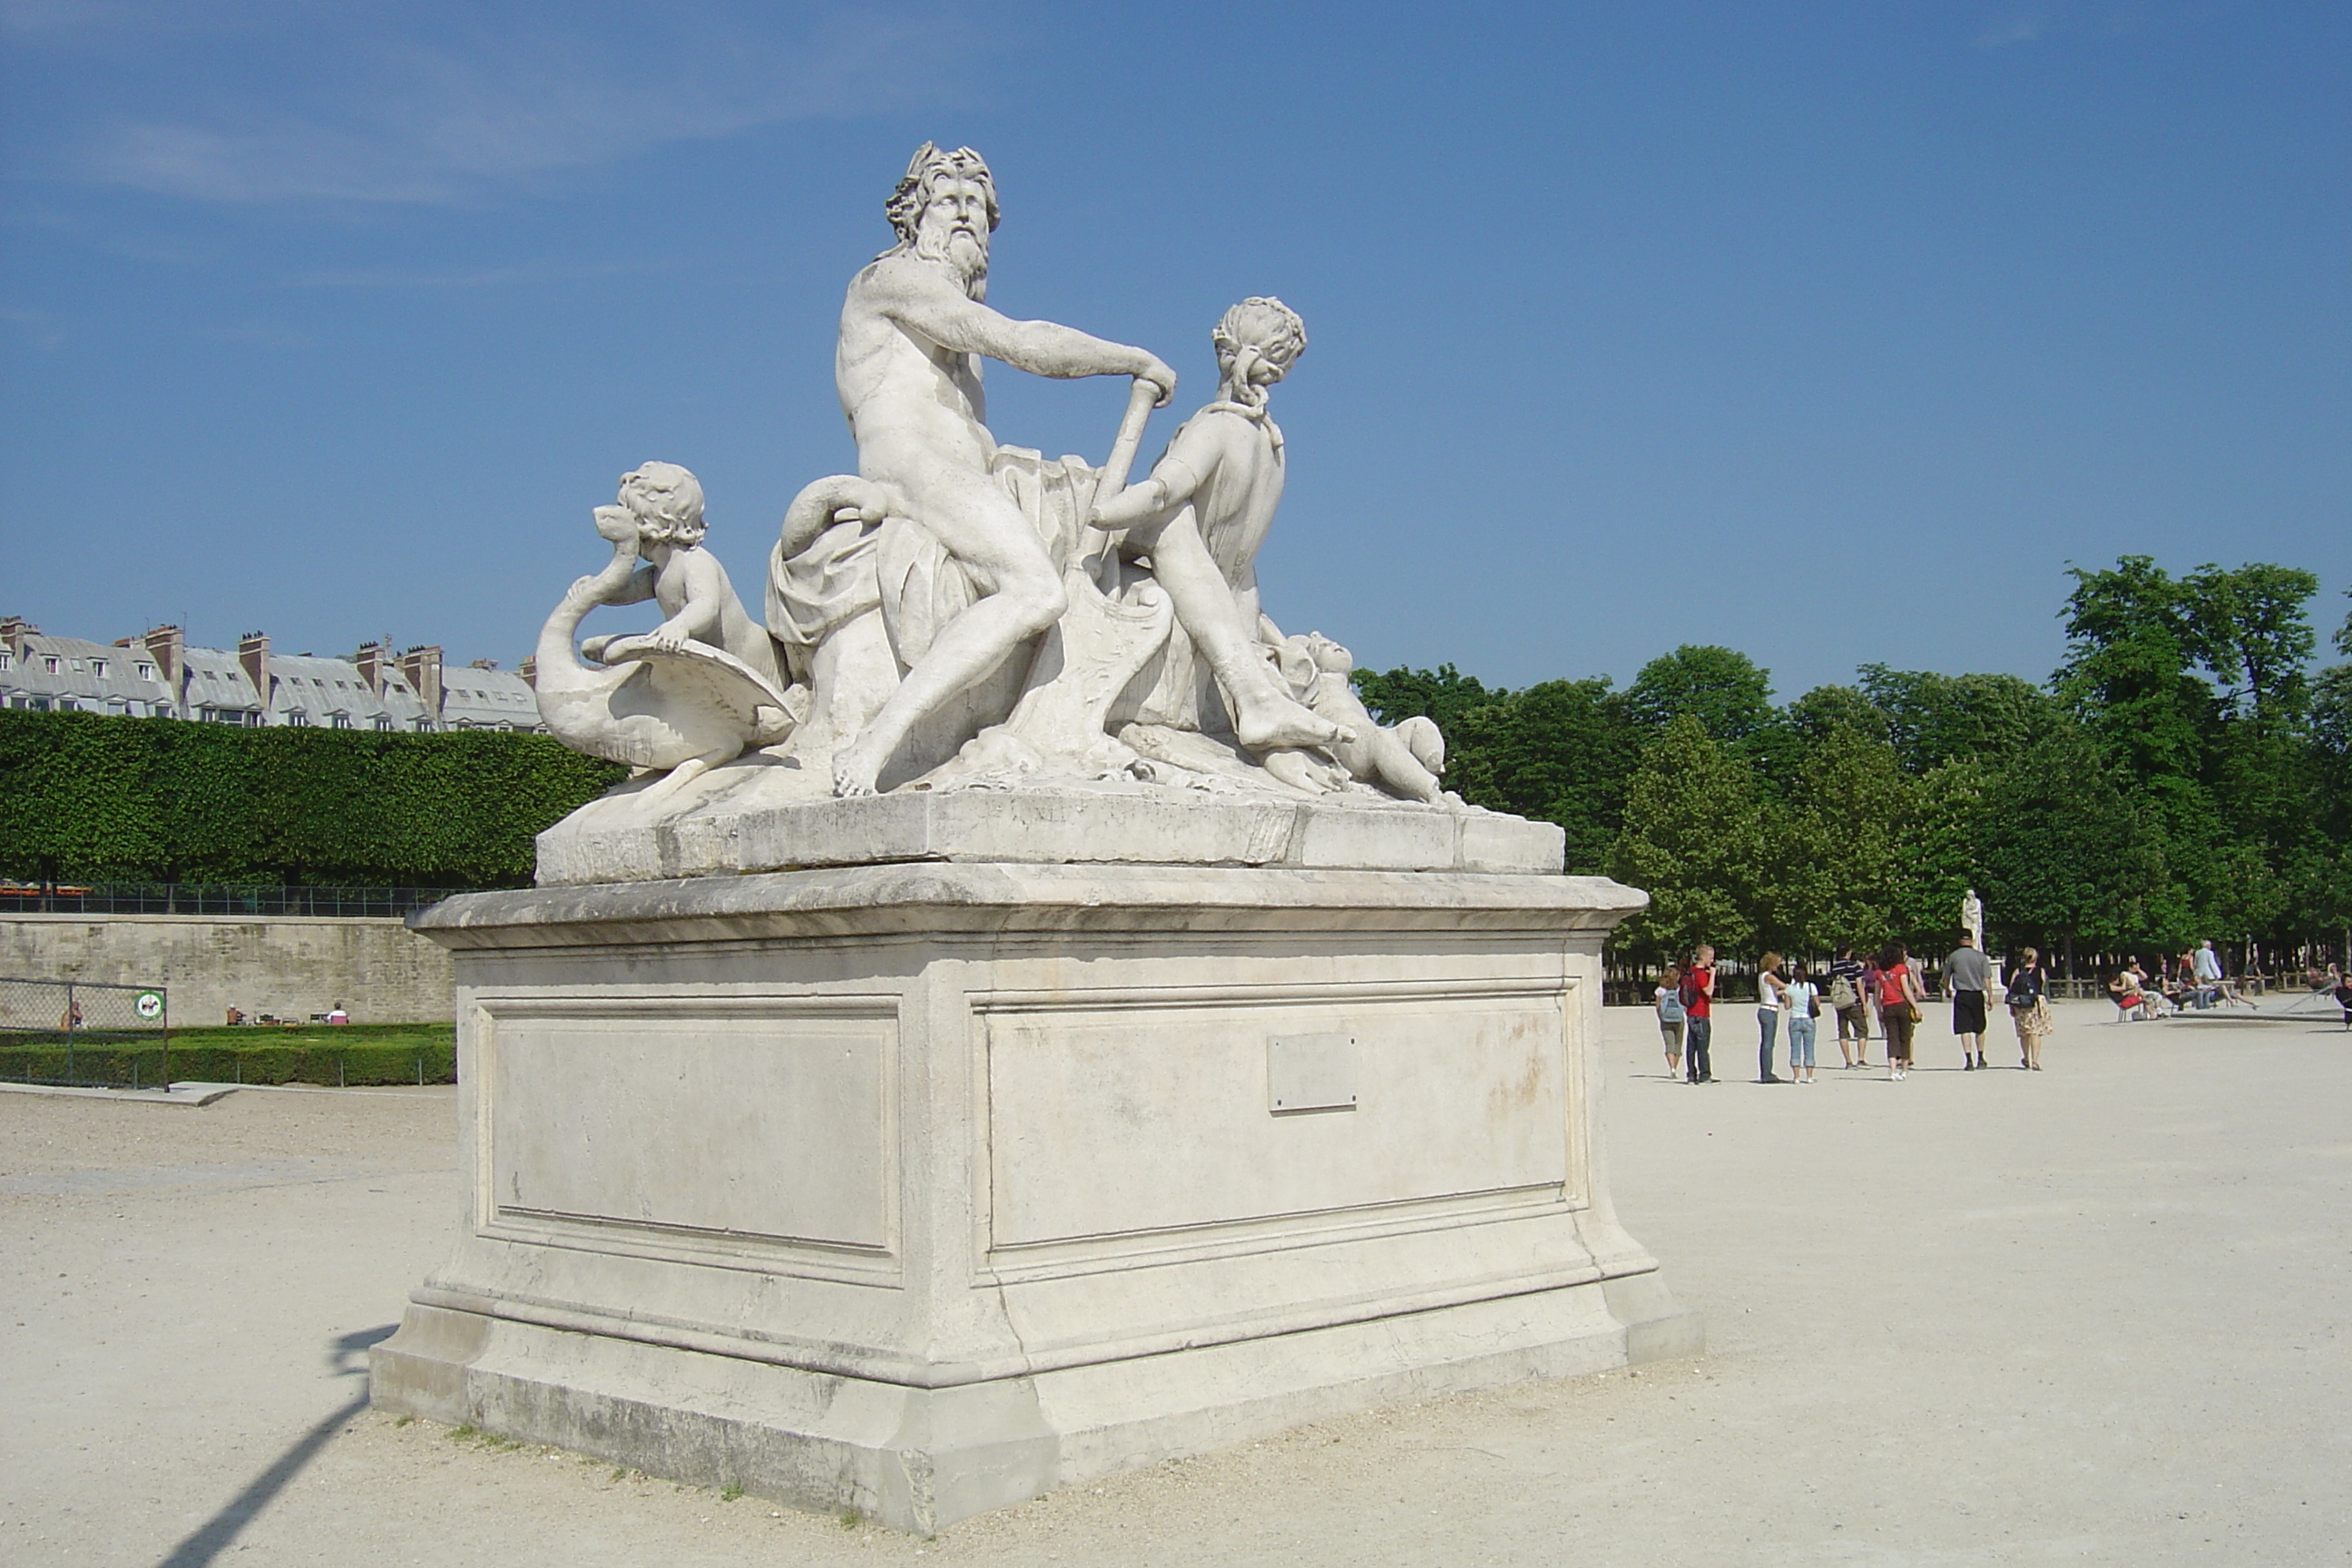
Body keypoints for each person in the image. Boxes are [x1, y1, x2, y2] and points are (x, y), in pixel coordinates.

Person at [826, 144, 1179, 796]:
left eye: (977, 209)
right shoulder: (891, 280)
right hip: (913, 469)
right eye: (948, 203)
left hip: (969, 473)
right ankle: (877, 741)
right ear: (912, 215)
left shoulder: (940, 311)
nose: (965, 218)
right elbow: (1018, 341)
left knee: (1148, 521)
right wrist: (1129, 359)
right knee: (1038, 590)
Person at [1088, 298, 1347, 757]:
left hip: (1183, 596)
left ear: (1225, 350)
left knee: (1165, 522)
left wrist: (1101, 511)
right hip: (1234, 605)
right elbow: (1243, 571)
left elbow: (1164, 493)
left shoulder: (1216, 427)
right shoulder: (1273, 447)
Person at [1877, 942, 1926, 1079]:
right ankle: (1904, 1068)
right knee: (1905, 1037)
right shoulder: (1901, 968)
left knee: (1892, 1039)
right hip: (1902, 1005)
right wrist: (1916, 1007)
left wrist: (1878, 1010)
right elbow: (1906, 989)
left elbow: (1876, 994)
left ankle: (1893, 1070)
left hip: (1887, 1006)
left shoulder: (1880, 972)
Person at [1945, 931, 1992, 1071]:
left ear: (1960, 940)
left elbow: (1946, 977)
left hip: (1962, 994)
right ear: (1971, 940)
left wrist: (1947, 989)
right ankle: (1981, 1057)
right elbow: (1987, 979)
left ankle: (1969, 1059)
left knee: (1964, 1028)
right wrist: (1990, 996)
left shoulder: (1954, 956)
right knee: (1980, 1027)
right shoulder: (1980, 957)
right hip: (1977, 994)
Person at [2006, 946, 2053, 1070]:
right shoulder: (2040, 971)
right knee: (2035, 1032)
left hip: (2021, 1004)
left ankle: (2026, 1058)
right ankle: (2035, 1060)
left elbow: (2012, 990)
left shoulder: (2017, 972)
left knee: (2024, 1033)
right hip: (2036, 1003)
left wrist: (2012, 1006)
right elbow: (2042, 987)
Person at [1826, 944, 1870, 1068]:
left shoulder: (1834, 968)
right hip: (1853, 1002)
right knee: (1862, 1030)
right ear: (1848, 953)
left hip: (1840, 1003)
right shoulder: (1854, 966)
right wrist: (1864, 1004)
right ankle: (1860, 1059)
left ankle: (1848, 1061)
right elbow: (1859, 985)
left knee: (1843, 1032)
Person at [1681, 946, 1717, 1083]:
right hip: (1701, 1013)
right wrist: (1712, 975)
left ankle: (1691, 1074)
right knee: (1703, 1046)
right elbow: (1708, 991)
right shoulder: (1700, 973)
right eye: (1710, 957)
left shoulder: (1690, 972)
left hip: (1690, 1012)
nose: (1712, 961)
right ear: (1703, 957)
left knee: (1691, 1046)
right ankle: (1704, 1075)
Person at [1754, 952, 1790, 1083]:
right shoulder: (1769, 976)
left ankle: (1767, 1071)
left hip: (1768, 1009)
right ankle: (1766, 1074)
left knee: (1768, 1042)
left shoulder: (1763, 976)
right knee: (1768, 1043)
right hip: (1769, 1010)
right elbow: (1784, 986)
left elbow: (1776, 992)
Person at [1784, 961, 1821, 1083]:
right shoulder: (1811, 987)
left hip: (1794, 1018)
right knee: (1809, 1047)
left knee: (1795, 1047)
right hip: (1808, 1018)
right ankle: (1809, 1076)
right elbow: (1817, 1003)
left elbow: (1787, 1006)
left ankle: (1796, 1077)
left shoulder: (1790, 988)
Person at [1654, 963, 1687, 1080]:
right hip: (1679, 1018)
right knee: (1678, 1044)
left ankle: (1672, 1068)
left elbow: (1658, 1006)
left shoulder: (1660, 990)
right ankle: (1675, 1068)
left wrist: (1660, 1017)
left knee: (1669, 1044)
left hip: (1665, 1019)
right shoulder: (1680, 989)